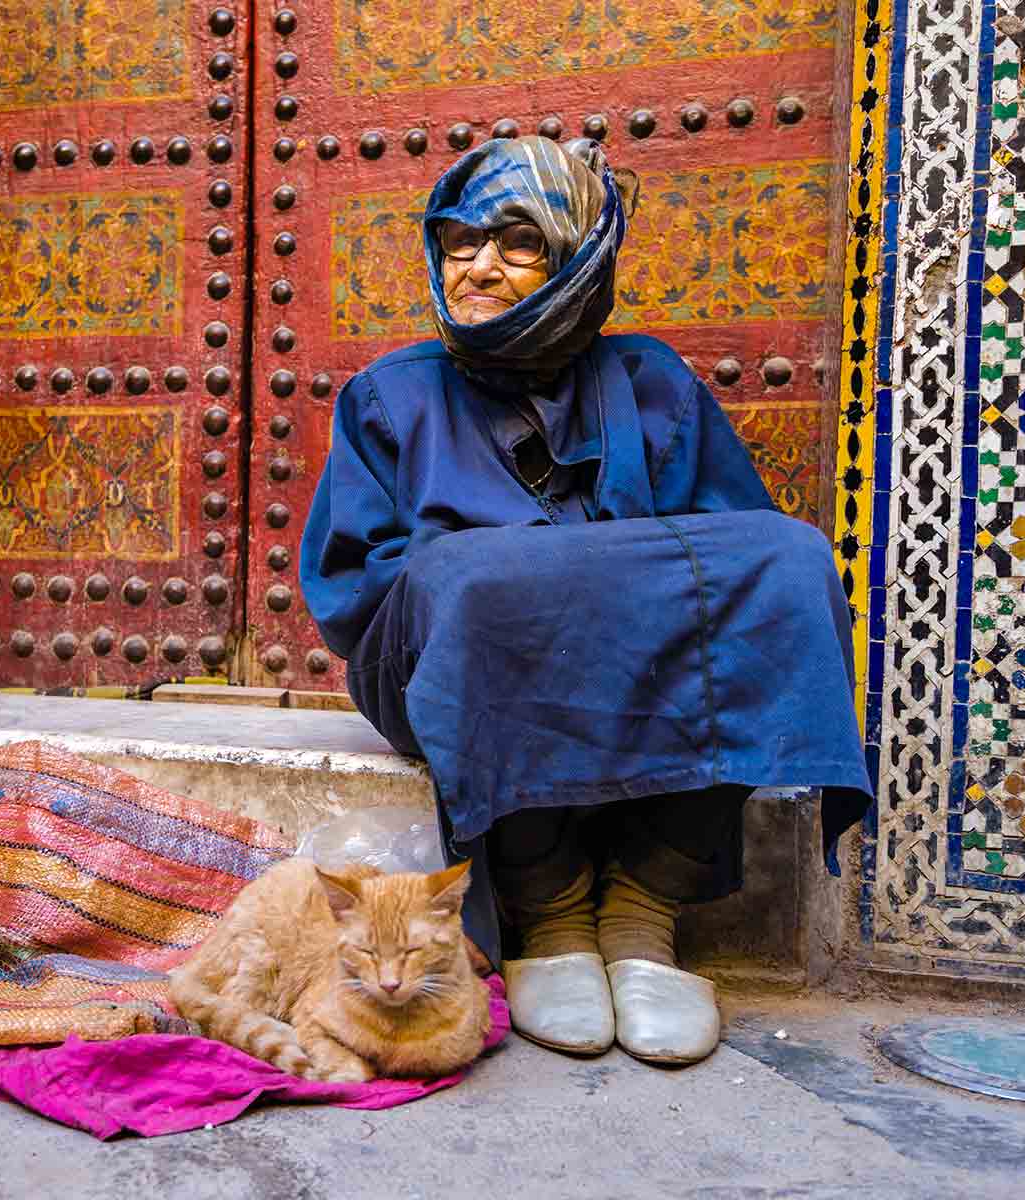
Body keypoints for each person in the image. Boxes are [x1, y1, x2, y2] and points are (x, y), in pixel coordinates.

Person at [299, 136, 873, 1066]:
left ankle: (646, 906)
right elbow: (358, 588)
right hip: (454, 668)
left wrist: (597, 597)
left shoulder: (652, 384)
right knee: (473, 579)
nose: (477, 264)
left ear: (577, 260)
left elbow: (726, 568)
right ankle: (553, 908)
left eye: (518, 241)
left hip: (639, 679)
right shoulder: (389, 396)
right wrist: (530, 588)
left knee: (787, 559)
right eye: (458, 241)